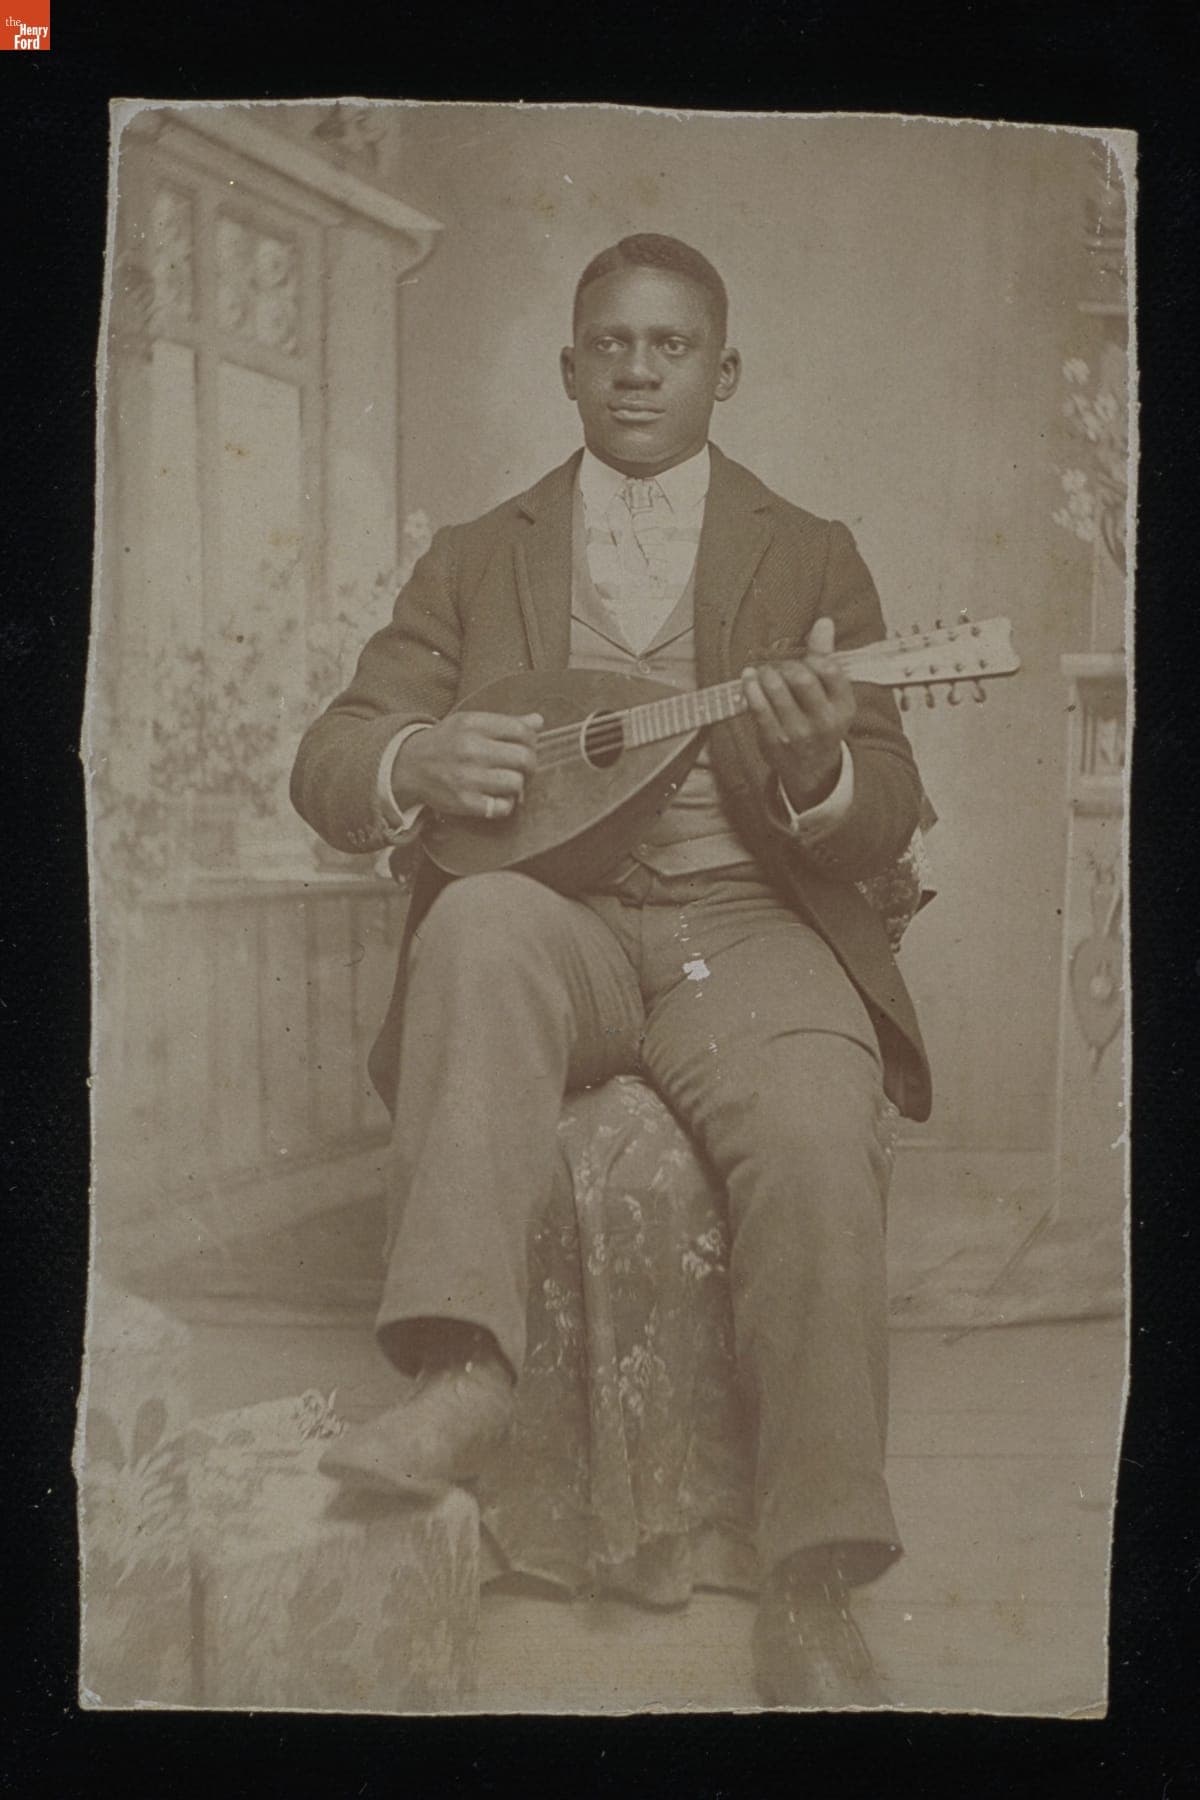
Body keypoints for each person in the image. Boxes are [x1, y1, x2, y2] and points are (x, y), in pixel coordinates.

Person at [291, 233, 931, 1708]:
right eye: (612, 344)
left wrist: (824, 762)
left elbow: (887, 802)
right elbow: (330, 757)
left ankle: (818, 1579)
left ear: (725, 369)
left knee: (821, 1134)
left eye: (673, 345)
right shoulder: (477, 553)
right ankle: (462, 1376)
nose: (640, 369)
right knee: (473, 923)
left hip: (745, 929)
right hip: (558, 922)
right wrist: (414, 754)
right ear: (569, 364)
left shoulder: (810, 548)